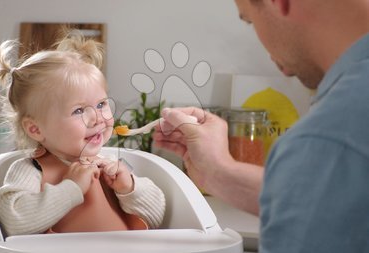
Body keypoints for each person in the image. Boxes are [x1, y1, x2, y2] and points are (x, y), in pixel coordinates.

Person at [153, 0, 369, 252]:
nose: (265, 49)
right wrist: (219, 172)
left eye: (250, 20)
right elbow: (336, 201)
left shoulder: (327, 139)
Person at [0, 30, 165, 236]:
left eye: (101, 104)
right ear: (36, 129)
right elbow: (14, 222)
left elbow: (157, 217)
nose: (97, 117)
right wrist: (71, 188)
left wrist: (129, 187)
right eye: (78, 110)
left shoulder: (110, 163)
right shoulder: (31, 170)